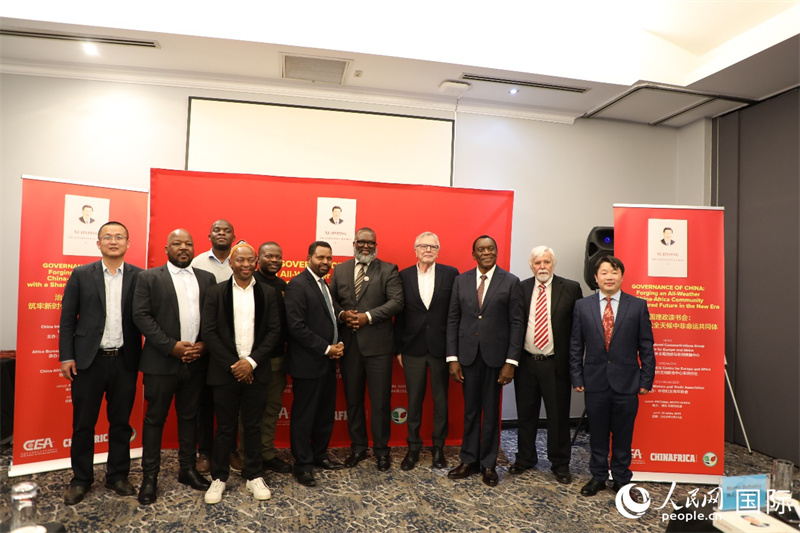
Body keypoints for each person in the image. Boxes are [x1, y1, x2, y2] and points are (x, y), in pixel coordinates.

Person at [59, 221, 143, 505]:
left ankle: (117, 476)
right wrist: (67, 356)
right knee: (83, 424)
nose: (113, 241)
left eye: (119, 237)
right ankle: (81, 480)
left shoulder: (139, 276)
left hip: (124, 360)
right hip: (88, 362)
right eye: (108, 237)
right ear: (98, 243)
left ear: (128, 243)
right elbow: (67, 318)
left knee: (120, 423)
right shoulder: (81, 274)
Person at [132, 229, 216, 505]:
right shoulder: (149, 277)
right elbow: (141, 316)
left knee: (189, 417)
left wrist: (203, 345)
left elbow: (212, 317)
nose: (183, 247)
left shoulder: (206, 278)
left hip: (196, 362)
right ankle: (150, 477)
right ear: (167, 249)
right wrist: (171, 346)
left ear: (194, 248)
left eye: (188, 243)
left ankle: (187, 469)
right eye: (177, 243)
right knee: (154, 420)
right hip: (161, 362)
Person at [201, 242, 281, 504]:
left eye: (250, 260)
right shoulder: (215, 292)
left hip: (256, 371)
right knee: (224, 427)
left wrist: (251, 362)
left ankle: (254, 475)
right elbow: (209, 332)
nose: (246, 265)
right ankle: (219, 478)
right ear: (231, 263)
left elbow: (274, 332)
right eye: (240, 260)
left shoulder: (268, 293)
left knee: (253, 426)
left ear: (255, 262)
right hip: (225, 372)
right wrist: (235, 365)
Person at [569, 256, 655, 496]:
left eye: (614, 272)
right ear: (595, 277)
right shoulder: (582, 306)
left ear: (622, 276)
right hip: (595, 381)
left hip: (627, 382)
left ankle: (621, 479)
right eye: (604, 272)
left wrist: (646, 379)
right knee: (597, 434)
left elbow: (646, 345)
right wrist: (577, 376)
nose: (609, 277)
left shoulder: (637, 305)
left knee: (623, 435)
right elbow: (576, 345)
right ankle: (598, 477)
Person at [446, 235, 525, 487]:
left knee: (490, 413)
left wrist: (511, 362)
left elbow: (517, 323)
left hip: (496, 359)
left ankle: (489, 464)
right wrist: (452, 358)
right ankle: (469, 460)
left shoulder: (510, 282)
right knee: (470, 412)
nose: (487, 252)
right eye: (481, 249)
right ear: (474, 255)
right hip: (467, 357)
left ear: (496, 252)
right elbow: (453, 320)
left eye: (491, 248)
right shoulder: (461, 280)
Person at [329, 227, 404, 471]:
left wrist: (367, 317)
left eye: (370, 243)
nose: (366, 246)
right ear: (354, 243)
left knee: (380, 402)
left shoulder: (388, 269)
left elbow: (397, 302)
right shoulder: (340, 270)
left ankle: (382, 451)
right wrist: (342, 314)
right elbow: (330, 301)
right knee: (353, 401)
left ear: (376, 245)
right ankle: (358, 448)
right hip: (349, 347)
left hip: (378, 348)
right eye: (361, 242)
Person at [510, 246, 582, 484]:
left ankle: (560, 463)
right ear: (531, 266)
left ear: (553, 264)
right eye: (538, 262)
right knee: (526, 414)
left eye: (547, 262)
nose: (542, 266)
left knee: (558, 416)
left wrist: (577, 365)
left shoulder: (570, 288)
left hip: (555, 363)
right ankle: (525, 458)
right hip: (527, 363)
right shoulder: (521, 288)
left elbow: (578, 330)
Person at [284, 241, 346, 486]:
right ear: (308, 258)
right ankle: (303, 465)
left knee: (324, 414)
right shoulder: (298, 285)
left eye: (329, 258)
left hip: (327, 363)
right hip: (308, 363)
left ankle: (319, 455)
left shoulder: (323, 284)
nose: (325, 262)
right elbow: (296, 327)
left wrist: (342, 318)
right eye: (320, 257)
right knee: (304, 417)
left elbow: (329, 313)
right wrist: (327, 348)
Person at [394, 231, 458, 470]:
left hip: (442, 349)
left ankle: (438, 449)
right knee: (414, 401)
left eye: (433, 246)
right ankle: (413, 448)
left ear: (438, 251)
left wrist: (454, 350)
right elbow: (399, 315)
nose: (428, 250)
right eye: (423, 246)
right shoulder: (403, 276)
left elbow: (456, 313)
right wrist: (398, 349)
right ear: (416, 250)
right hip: (412, 348)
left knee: (441, 401)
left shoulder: (451, 274)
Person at [191, 218, 237, 474]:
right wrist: (203, 342)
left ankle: (230, 449)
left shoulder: (241, 261)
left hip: (236, 346)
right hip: (205, 344)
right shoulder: (197, 263)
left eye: (226, 230)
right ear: (209, 235)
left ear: (233, 236)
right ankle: (205, 451)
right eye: (217, 230)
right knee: (205, 402)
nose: (221, 233)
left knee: (232, 402)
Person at [251, 241, 292, 474]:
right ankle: (248, 457)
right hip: (253, 360)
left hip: (277, 358)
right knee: (250, 411)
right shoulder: (249, 282)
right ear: (258, 258)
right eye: (269, 256)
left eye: (278, 257)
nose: (274, 260)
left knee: (272, 408)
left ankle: (266, 454)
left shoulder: (283, 285)